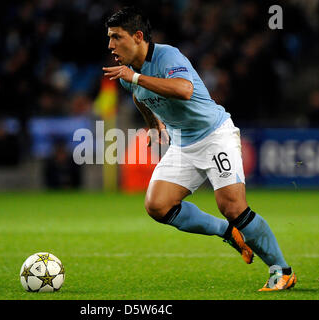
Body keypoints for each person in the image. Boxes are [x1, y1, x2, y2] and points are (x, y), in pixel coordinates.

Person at [103, 7, 296, 291]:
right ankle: (228, 232)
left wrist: (135, 79)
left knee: (232, 206)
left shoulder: (167, 56)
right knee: (157, 205)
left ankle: (282, 270)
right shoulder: (127, 75)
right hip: (183, 143)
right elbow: (139, 98)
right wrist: (154, 125)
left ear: (138, 36)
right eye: (109, 38)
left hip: (214, 135)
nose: (110, 46)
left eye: (116, 37)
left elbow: (184, 90)